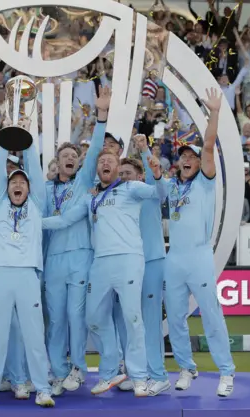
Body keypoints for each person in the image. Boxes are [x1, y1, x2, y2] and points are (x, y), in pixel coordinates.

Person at [41, 149, 165, 397]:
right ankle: (110, 371)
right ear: (97, 170)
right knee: (93, 318)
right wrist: (33, 223)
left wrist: (158, 175)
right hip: (99, 263)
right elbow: (65, 220)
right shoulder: (91, 198)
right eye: (101, 161)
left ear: (118, 168)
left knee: (132, 318)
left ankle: (139, 376)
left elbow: (158, 194)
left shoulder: (131, 188)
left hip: (129, 259)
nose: (105, 163)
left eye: (110, 161)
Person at [157, 88, 236, 397]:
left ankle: (227, 372)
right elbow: (154, 178)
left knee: (211, 314)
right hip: (173, 258)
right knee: (175, 318)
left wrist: (214, 113)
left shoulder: (205, 181)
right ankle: (186, 367)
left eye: (192, 156)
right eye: (183, 157)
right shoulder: (173, 187)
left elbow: (208, 145)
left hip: (200, 257)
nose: (188, 159)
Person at [0, 138, 54, 407]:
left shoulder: (36, 205)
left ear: (30, 188)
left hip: (28, 276)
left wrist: (26, 139)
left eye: (22, 182)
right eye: (13, 182)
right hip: (0, 275)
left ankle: (42, 389)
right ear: (6, 188)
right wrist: (4, 143)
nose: (17, 185)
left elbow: (33, 167)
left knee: (34, 336)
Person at [44, 85, 110, 395]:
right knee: (56, 320)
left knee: (75, 315)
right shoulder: (45, 190)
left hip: (80, 257)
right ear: (56, 164)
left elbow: (95, 149)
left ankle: (78, 369)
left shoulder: (84, 182)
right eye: (64, 156)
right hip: (53, 260)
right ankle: (58, 372)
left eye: (74, 156)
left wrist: (102, 116)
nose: (70, 159)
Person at [115, 134, 171, 396]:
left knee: (149, 319)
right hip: (127, 263)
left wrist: (145, 150)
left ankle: (158, 375)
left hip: (151, 261)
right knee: (129, 320)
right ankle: (135, 371)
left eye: (129, 173)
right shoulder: (118, 198)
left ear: (140, 176)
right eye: (121, 173)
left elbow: (162, 188)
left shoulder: (149, 191)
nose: (124, 177)